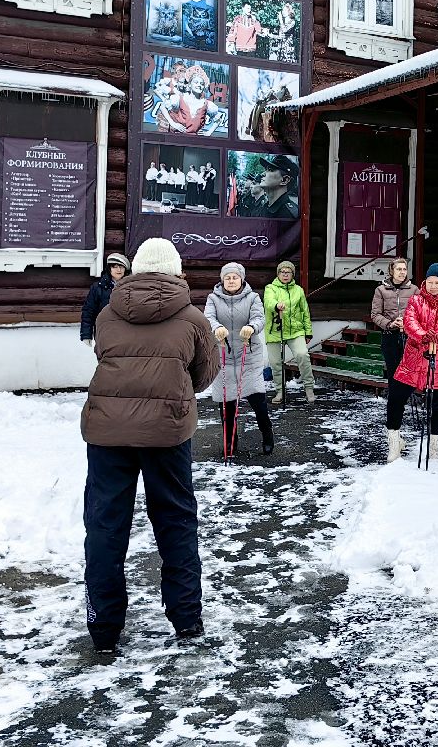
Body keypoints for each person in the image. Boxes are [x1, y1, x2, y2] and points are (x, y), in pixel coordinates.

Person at [81, 237, 220, 653]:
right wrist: (173, 391)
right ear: (176, 271)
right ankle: (186, 619)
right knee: (176, 521)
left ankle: (103, 627)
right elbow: (205, 372)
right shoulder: (193, 318)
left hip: (107, 433)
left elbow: (105, 357)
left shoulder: (107, 314)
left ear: (137, 269)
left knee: (105, 526)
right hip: (168, 433)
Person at [387, 263, 438, 463]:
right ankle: (394, 443)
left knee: (436, 404)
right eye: (430, 282)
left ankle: (433, 447)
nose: (433, 286)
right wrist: (423, 335)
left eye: (437, 282)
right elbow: (409, 322)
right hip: (413, 359)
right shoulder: (416, 300)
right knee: (396, 397)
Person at [204, 262, 274, 455]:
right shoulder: (213, 298)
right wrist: (216, 327)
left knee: (258, 403)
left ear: (242, 279)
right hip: (223, 358)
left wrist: (252, 327)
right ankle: (230, 442)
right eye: (228, 277)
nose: (231, 280)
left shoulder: (253, 297)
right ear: (222, 280)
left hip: (248, 357)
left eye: (235, 277)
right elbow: (208, 317)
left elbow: (260, 317)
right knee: (227, 405)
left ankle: (267, 434)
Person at [264, 260, 315, 404]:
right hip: (275, 331)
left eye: (288, 272)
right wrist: (276, 305)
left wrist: (308, 332)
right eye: (282, 272)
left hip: (295, 331)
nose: (285, 275)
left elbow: (305, 311)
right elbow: (268, 302)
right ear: (278, 274)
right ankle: (280, 391)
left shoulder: (298, 290)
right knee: (275, 363)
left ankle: (309, 388)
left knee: (302, 355)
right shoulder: (271, 288)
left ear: (292, 274)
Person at [370, 258, 417, 396]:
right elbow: (375, 314)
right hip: (390, 336)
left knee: (408, 369)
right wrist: (390, 324)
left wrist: (408, 323)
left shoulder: (414, 290)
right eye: (398, 269)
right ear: (392, 271)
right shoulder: (381, 290)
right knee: (393, 370)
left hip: (409, 336)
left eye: (404, 269)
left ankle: (406, 396)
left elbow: (420, 313)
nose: (402, 272)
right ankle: (395, 401)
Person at [80, 252, 130, 346]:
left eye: (121, 267)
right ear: (109, 269)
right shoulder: (98, 288)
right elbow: (89, 311)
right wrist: (86, 334)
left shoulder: (131, 286)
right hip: (104, 331)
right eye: (115, 266)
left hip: (126, 333)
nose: (118, 270)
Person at [242, 155, 299, 220]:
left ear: (284, 180)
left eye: (270, 170)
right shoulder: (265, 207)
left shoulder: (290, 215)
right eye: (266, 170)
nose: (262, 174)